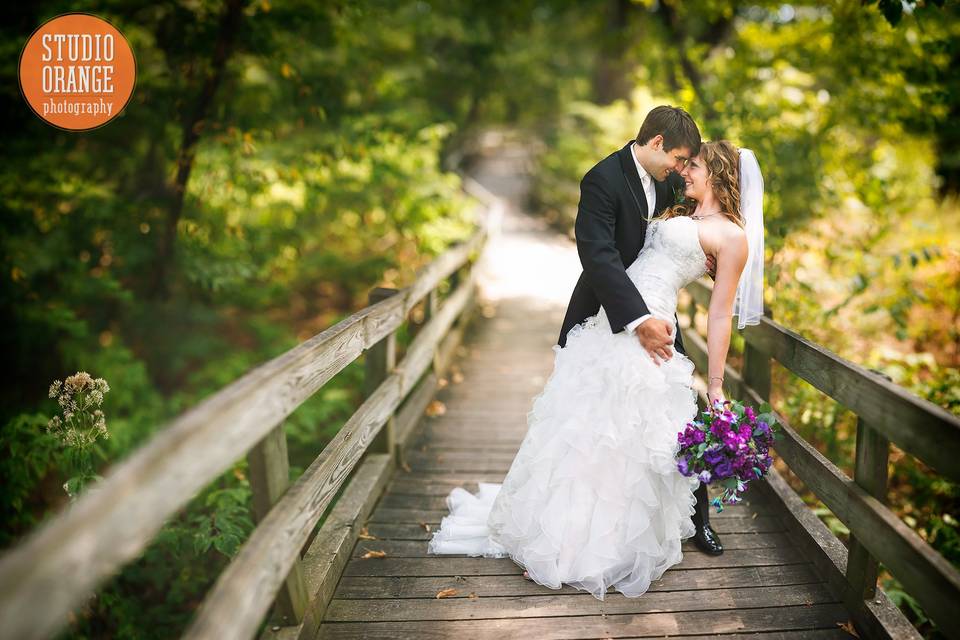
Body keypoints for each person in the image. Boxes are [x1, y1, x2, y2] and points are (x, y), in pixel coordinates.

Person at [426, 134, 765, 602]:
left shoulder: (731, 237)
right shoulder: (680, 208)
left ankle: (607, 546)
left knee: (630, 434)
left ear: (717, 173)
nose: (683, 171)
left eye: (694, 167)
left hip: (654, 333)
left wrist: (715, 384)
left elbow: (721, 314)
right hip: (614, 319)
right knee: (584, 427)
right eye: (683, 163)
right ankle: (560, 540)